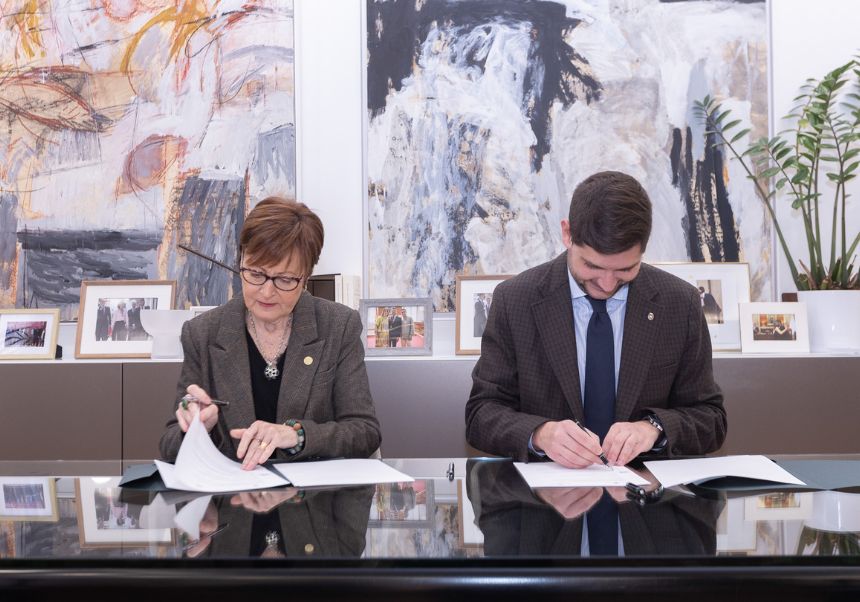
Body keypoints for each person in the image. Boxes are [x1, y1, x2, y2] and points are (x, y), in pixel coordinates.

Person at [466, 171, 726, 469]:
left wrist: (653, 428)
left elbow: (711, 420)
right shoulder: (516, 301)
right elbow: (481, 414)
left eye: (625, 270)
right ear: (567, 234)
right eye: (592, 266)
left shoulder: (679, 303)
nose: (606, 284)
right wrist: (540, 434)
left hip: (646, 505)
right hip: (545, 508)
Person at [159, 197, 381, 468]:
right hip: (233, 501)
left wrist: (296, 435)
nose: (266, 291)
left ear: (306, 278)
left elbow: (365, 432)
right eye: (255, 274)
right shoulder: (203, 333)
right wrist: (195, 429)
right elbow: (169, 446)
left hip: (315, 502)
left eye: (285, 279)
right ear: (241, 262)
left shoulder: (338, 326)